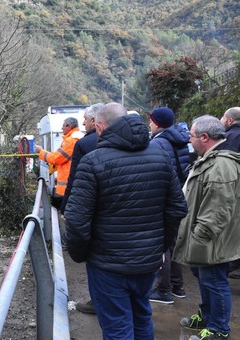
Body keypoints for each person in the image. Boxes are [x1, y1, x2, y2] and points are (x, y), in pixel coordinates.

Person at [64, 102, 188, 339]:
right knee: (141, 317)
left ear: (100, 127)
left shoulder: (93, 162)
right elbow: (177, 208)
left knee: (116, 326)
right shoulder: (160, 156)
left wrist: (80, 254)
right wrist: (160, 246)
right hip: (147, 262)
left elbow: (77, 221)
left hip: (107, 265)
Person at [174, 115, 240, 340]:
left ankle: (219, 330)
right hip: (204, 238)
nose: (189, 140)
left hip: (211, 240)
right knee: (205, 278)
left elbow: (218, 209)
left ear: (204, 137)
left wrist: (199, 235)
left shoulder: (221, 164)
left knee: (215, 281)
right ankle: (207, 316)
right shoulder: (211, 158)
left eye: (191, 136)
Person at [60, 102, 104, 315]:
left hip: (96, 212)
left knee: (97, 259)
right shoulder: (151, 149)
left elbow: (75, 178)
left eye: (86, 119)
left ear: (96, 122)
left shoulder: (84, 144)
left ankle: (97, 302)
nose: (84, 122)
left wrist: (67, 207)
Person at [147, 107, 190, 305]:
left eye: (151, 120)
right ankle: (177, 286)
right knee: (173, 243)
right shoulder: (180, 139)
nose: (149, 124)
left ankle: (163, 290)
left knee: (163, 243)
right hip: (179, 194)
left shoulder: (158, 144)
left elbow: (156, 173)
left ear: (158, 122)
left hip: (164, 198)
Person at [35, 117, 82, 209]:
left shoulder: (71, 141)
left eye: (63, 126)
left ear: (69, 126)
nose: (62, 128)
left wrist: (40, 151)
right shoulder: (75, 138)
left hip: (69, 186)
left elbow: (56, 159)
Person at [220, 107, 240, 280]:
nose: (221, 120)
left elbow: (227, 168)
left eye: (223, 117)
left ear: (230, 121)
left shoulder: (231, 138)